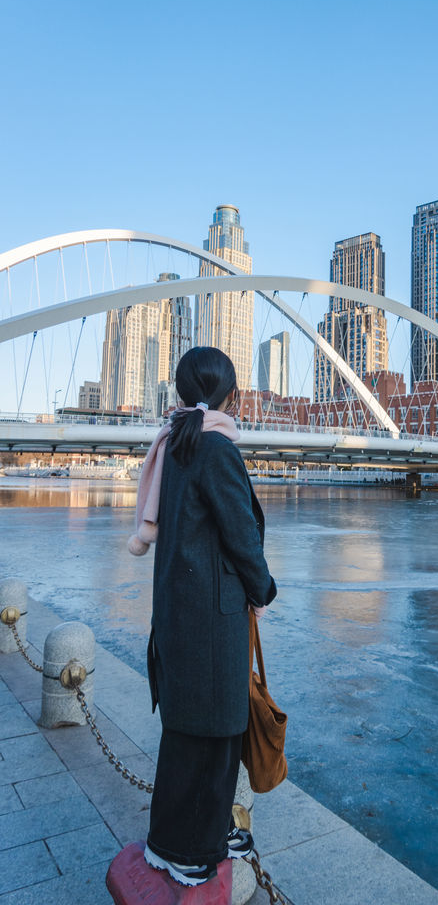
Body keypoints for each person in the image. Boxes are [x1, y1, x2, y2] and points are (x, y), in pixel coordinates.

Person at [127, 346, 277, 887]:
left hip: (179, 611)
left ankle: (202, 828)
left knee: (191, 731)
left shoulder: (176, 444)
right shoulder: (213, 448)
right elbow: (241, 534)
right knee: (215, 733)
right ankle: (182, 847)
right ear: (225, 394)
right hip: (212, 620)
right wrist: (264, 588)